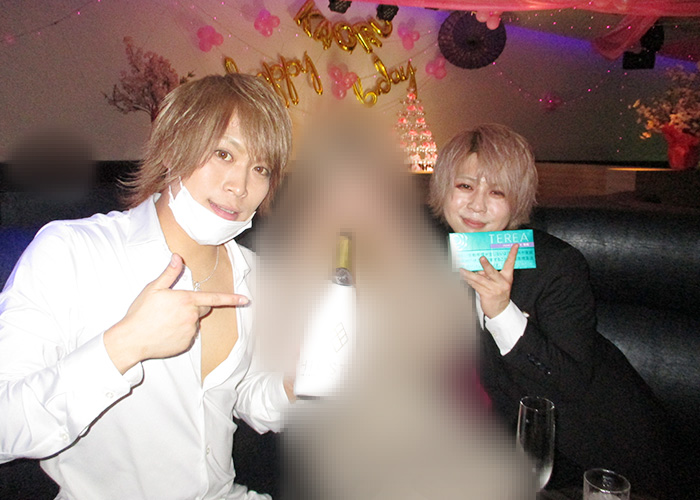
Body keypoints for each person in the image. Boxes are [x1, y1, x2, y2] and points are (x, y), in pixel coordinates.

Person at [0, 73, 293, 500]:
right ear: (173, 148)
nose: (241, 185)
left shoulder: (257, 276)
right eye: (223, 154)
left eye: (260, 168)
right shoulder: (72, 252)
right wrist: (124, 345)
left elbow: (244, 396)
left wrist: (299, 382)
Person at [429, 124, 668, 496]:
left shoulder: (558, 265)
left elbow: (570, 384)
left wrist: (501, 312)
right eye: (465, 186)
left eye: (497, 191)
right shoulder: (438, 258)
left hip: (594, 462)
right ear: (444, 189)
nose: (477, 205)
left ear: (518, 201)